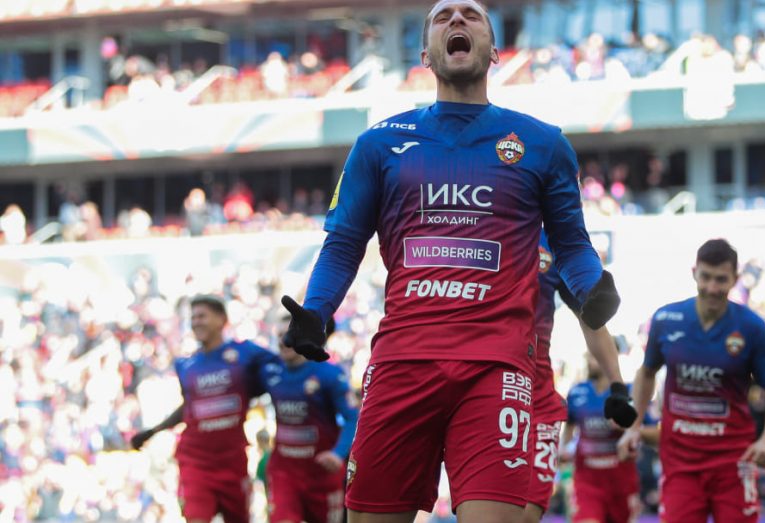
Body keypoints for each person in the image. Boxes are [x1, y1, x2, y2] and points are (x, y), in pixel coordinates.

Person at [279, 1, 625, 522]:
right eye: (443, 17)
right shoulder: (378, 144)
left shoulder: (544, 144)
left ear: (494, 51)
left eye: (471, 15)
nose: (457, 20)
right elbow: (343, 243)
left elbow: (572, 246)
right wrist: (317, 309)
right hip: (401, 364)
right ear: (425, 54)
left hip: (497, 367)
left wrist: (592, 286)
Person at [619, 239, 765, 522]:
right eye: (706, 277)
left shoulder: (752, 328)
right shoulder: (666, 319)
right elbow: (646, 373)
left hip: (734, 461)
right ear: (694, 273)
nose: (711, 287)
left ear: (735, 278)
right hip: (679, 461)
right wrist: (633, 427)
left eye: (721, 279)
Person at [130, 295, 278, 523]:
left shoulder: (246, 354)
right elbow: (189, 407)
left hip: (233, 462)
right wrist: (154, 431)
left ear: (221, 319)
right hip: (196, 462)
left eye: (202, 316)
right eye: (193, 318)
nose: (196, 322)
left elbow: (282, 368)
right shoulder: (186, 365)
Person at [523, 230, 636, 523]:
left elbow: (592, 321)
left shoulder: (556, 241)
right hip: (486, 389)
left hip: (537, 395)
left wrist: (618, 386)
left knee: (527, 513)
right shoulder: (485, 221)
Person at [258, 312, 358, 523]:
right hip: (284, 473)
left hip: (323, 475)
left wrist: (338, 454)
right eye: (279, 335)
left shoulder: (330, 374)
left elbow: (353, 418)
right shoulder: (270, 371)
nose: (283, 341)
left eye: (289, 335)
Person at [561, 352, 658, 523]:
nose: (589, 361)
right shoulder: (577, 391)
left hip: (622, 482)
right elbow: (569, 427)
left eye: (594, 355)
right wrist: (563, 451)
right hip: (587, 481)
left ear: (611, 355)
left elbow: (655, 432)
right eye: (588, 356)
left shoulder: (631, 392)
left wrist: (630, 428)